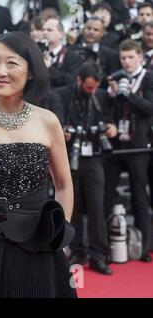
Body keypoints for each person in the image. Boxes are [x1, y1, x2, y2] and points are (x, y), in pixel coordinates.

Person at [0, 31, 77, 298]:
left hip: (39, 248)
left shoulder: (48, 121)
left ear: (31, 72)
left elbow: (64, 185)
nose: (0, 71)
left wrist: (60, 231)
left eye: (12, 63)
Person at [54, 62, 116, 275]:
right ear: (79, 80)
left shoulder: (101, 96)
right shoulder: (61, 95)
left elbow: (111, 121)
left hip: (94, 158)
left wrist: (110, 128)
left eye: (95, 87)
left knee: (97, 206)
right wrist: (62, 131)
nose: (92, 91)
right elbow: (56, 122)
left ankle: (99, 255)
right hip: (69, 156)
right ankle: (79, 252)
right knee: (76, 206)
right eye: (89, 87)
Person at [104, 39, 153, 263]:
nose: (127, 62)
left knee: (139, 195)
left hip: (139, 145)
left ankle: (144, 247)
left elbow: (150, 109)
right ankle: (104, 244)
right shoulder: (116, 77)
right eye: (123, 58)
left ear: (140, 57)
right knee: (106, 193)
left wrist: (129, 94)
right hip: (116, 145)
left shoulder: (149, 77)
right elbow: (107, 108)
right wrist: (113, 94)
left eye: (131, 57)